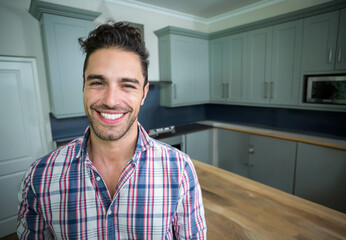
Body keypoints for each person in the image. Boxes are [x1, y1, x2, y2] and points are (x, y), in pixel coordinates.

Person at [17, 21, 206, 239]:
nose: (111, 101)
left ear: (144, 93)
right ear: (83, 86)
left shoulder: (180, 170)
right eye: (98, 82)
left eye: (127, 85)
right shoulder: (39, 178)